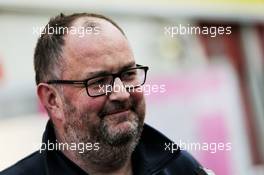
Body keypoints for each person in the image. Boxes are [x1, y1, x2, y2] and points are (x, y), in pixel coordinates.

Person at [1, 13, 210, 175]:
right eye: (99, 81)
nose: (121, 94)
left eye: (128, 74)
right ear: (52, 100)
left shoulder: (182, 168)